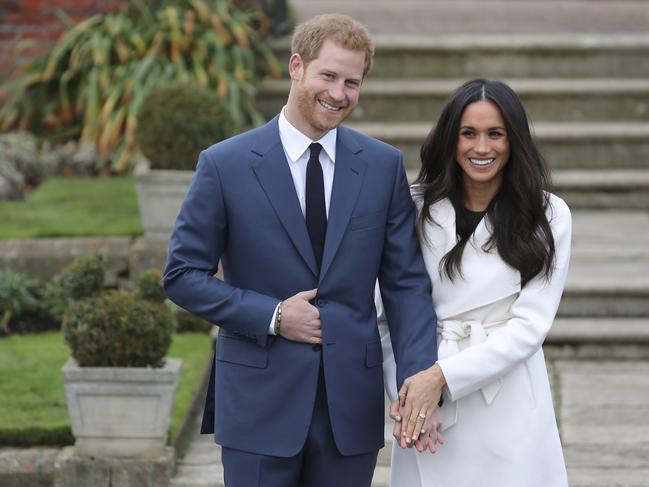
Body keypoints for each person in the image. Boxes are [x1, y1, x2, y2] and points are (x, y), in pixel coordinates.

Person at [163, 14, 442, 487]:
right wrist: (272, 315)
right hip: (258, 402)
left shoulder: (382, 166)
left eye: (352, 82)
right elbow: (182, 274)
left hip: (349, 408)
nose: (339, 94)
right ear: (297, 66)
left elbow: (406, 284)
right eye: (328, 76)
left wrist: (417, 383)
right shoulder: (225, 164)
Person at [378, 78, 571, 486]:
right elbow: (385, 316)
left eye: (495, 134)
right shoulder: (413, 208)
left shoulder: (548, 214)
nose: (481, 148)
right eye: (469, 133)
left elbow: (529, 327)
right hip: (424, 397)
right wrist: (411, 396)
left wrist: (442, 379)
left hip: (508, 395)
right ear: (450, 139)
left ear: (514, 140)